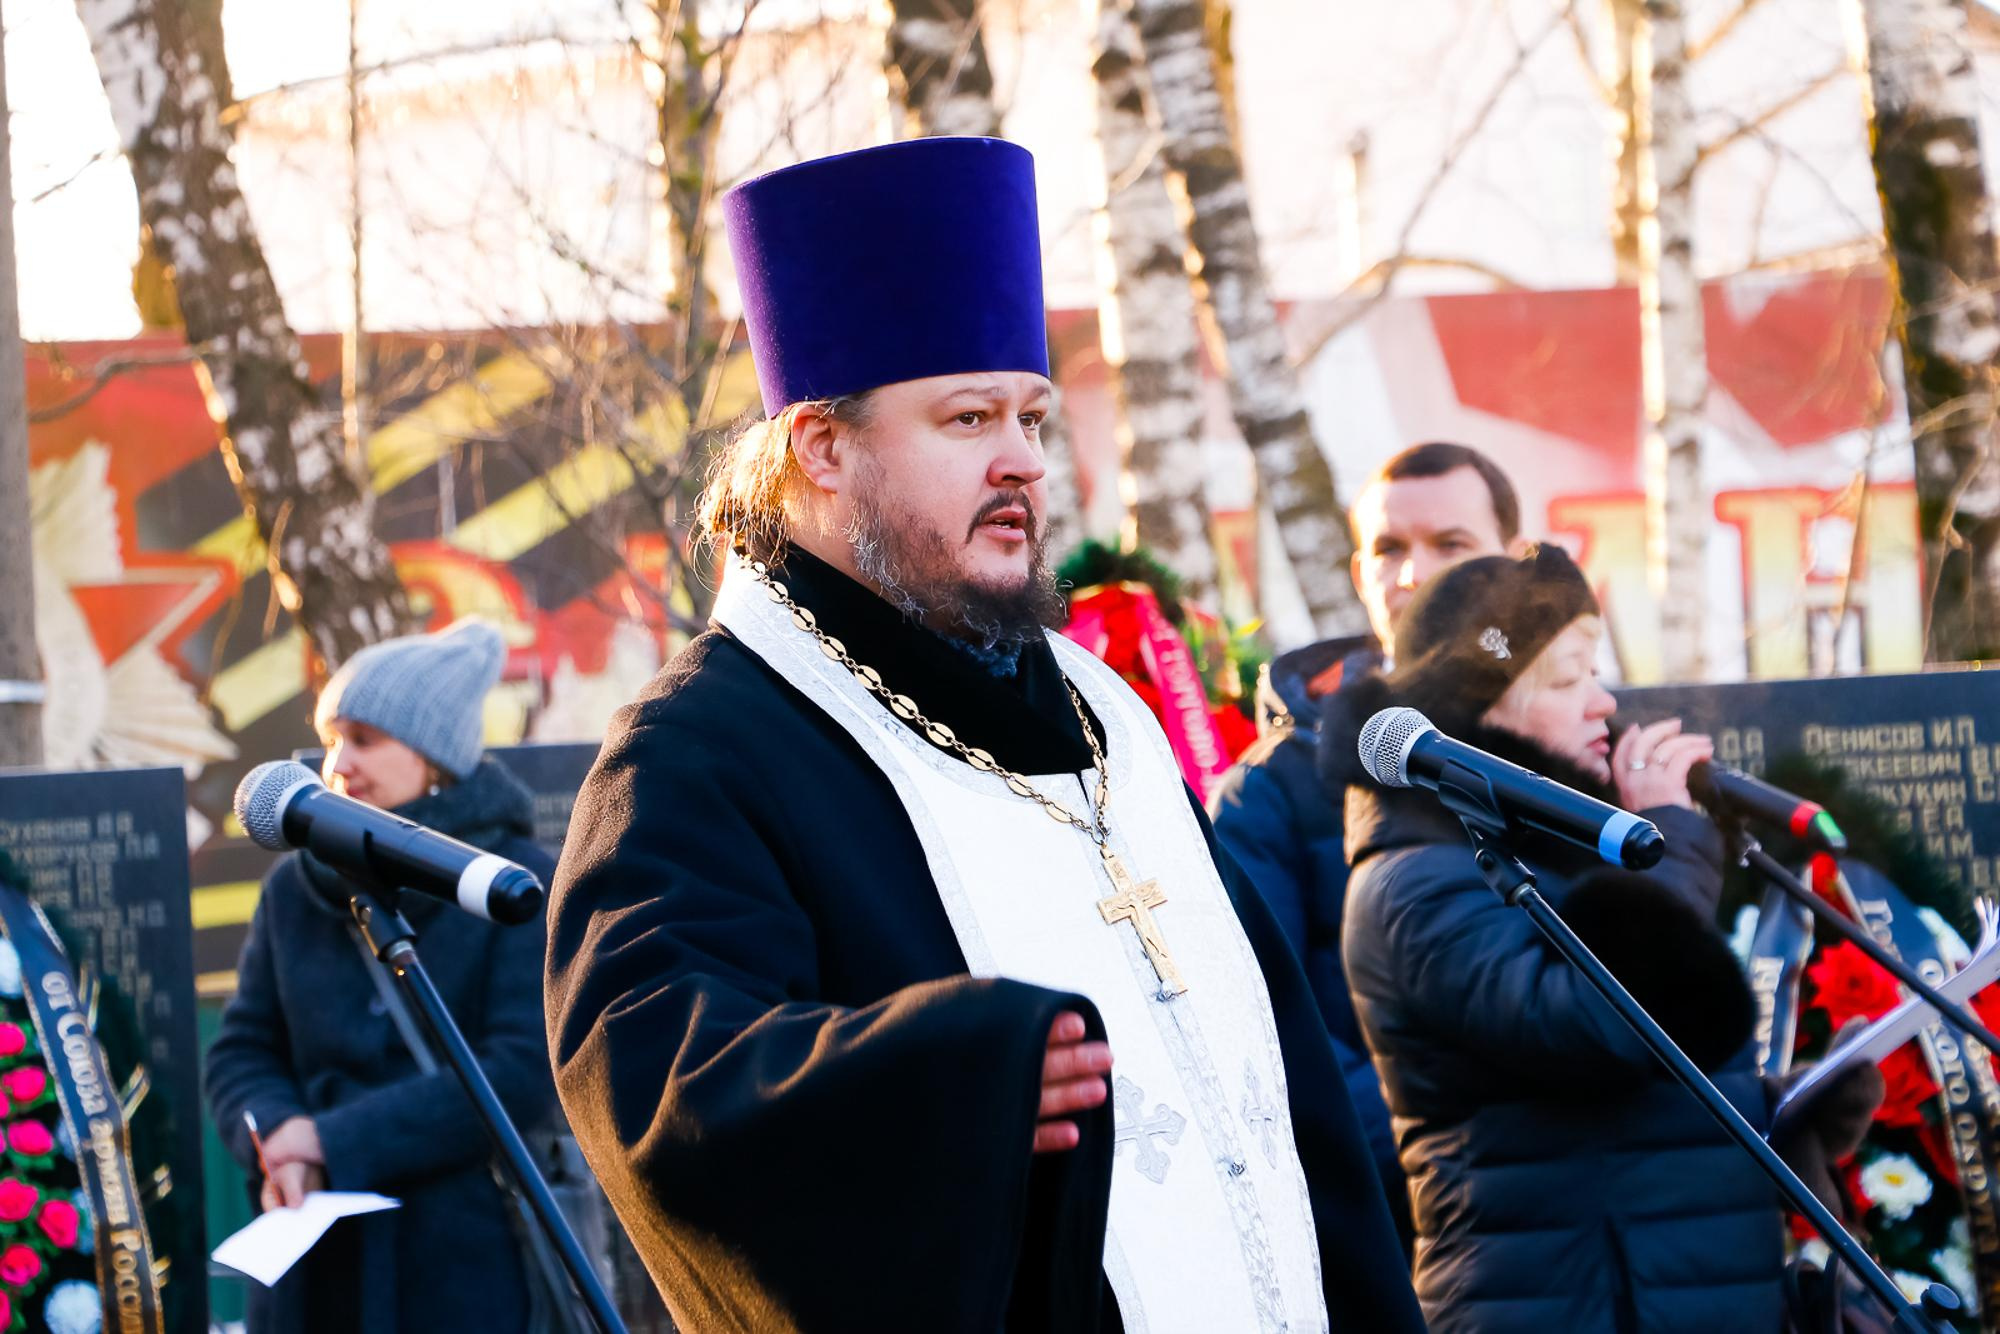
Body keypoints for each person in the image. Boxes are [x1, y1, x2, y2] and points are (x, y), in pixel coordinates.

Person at [544, 136, 1424, 1333]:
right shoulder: (697, 750)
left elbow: (1282, 1088)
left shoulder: (1100, 709)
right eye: (966, 419)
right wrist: (965, 1071)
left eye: (1030, 415)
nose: (1021, 459)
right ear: (820, 447)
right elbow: (656, 1087)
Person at [1320, 545, 1785, 1332]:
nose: (1603, 701)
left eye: (1595, 672)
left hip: (1671, 1288)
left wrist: (1783, 1105)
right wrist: (1667, 842)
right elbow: (1605, 1024)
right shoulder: (1416, 879)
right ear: (1482, 709)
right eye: (1567, 680)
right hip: (1569, 1302)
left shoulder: (1554, 849)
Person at [1206, 441, 1525, 1237]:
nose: (1414, 575)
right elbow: (1258, 1018)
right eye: (1389, 550)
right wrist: (1445, 1157)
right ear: (1359, 575)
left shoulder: (1585, 749)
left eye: (1451, 545)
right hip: (1394, 1221)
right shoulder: (1269, 791)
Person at [206, 618, 558, 1334]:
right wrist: (278, 1140)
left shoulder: (514, 887)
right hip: (310, 1275)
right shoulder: (290, 890)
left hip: (462, 1272)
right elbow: (243, 1051)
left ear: (435, 761)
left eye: (364, 739)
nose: (339, 765)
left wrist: (331, 1140)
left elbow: (520, 1070)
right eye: (333, 739)